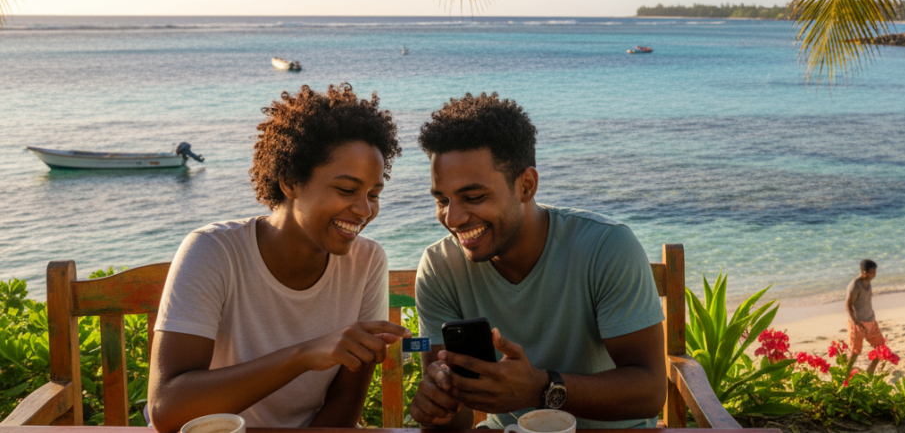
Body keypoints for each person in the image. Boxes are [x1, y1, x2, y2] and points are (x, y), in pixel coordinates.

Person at [148, 84, 410, 433]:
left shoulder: (367, 262)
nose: (364, 210)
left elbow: (345, 405)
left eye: (374, 194)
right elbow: (168, 407)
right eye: (347, 190)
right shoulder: (214, 252)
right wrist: (303, 356)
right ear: (290, 181)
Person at [410, 93, 666, 430]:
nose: (453, 218)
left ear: (526, 185)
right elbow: (454, 420)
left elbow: (649, 392)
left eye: (473, 197)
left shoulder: (605, 246)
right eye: (442, 199)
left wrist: (542, 388)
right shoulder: (441, 266)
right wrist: (439, 405)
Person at [846, 259, 885, 374]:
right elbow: (848, 306)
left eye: (875, 272)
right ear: (864, 272)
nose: (874, 275)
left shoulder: (868, 281)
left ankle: (870, 373)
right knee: (855, 352)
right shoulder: (855, 286)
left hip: (871, 321)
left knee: (881, 348)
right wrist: (856, 323)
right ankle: (845, 373)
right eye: (872, 272)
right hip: (858, 324)